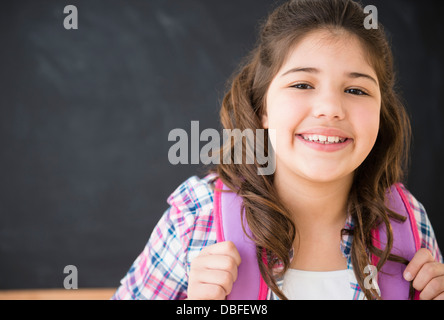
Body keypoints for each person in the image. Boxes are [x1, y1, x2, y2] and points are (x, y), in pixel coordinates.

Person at [112, 0, 443, 300]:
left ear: (380, 115)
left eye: (356, 89)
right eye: (302, 84)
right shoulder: (197, 217)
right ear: (263, 109)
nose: (330, 108)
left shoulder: (407, 222)